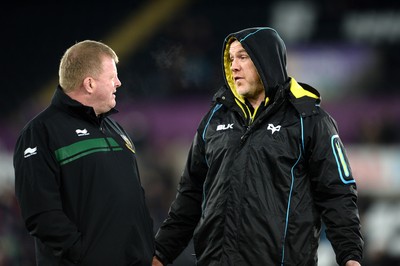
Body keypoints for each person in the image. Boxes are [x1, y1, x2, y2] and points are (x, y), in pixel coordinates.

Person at [152, 27, 364, 266]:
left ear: (267, 60)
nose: (233, 66)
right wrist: (160, 253)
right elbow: (189, 195)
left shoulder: (310, 120)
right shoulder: (215, 119)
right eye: (231, 59)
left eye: (243, 57)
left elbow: (337, 195)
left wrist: (350, 257)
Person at [13, 40, 155, 265]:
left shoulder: (115, 129)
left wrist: (148, 250)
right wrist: (85, 256)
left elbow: (135, 199)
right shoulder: (40, 133)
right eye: (112, 77)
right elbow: (40, 214)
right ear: (89, 84)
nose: (118, 83)